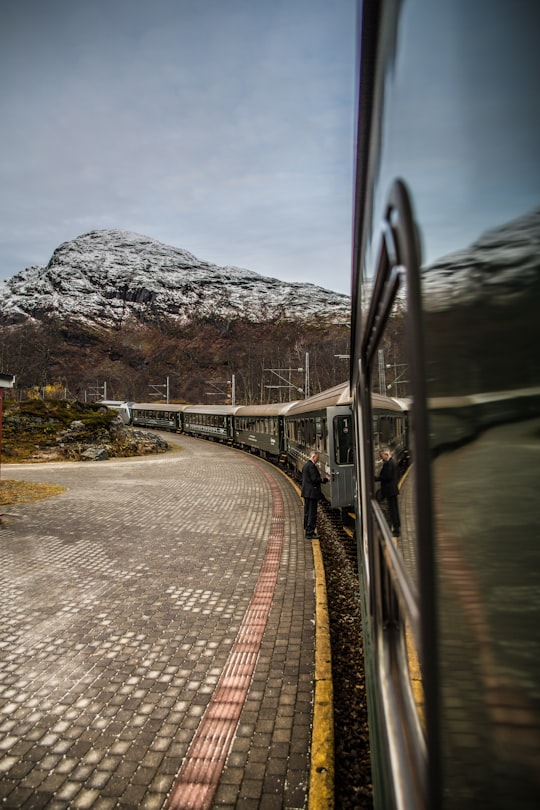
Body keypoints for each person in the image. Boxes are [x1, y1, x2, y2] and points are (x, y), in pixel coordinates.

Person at [301, 451, 329, 539]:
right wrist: (324, 479)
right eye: (317, 458)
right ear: (313, 457)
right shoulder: (312, 466)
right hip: (312, 493)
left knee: (307, 512)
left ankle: (307, 529)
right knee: (312, 513)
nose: (318, 460)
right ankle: (310, 532)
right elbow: (315, 479)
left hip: (306, 493)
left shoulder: (305, 465)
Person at [376, 448, 401, 537]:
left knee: (393, 510)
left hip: (390, 490)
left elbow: (387, 477)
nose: (381, 458)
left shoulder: (389, 464)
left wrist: (376, 478)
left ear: (386, 455)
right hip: (392, 490)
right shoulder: (391, 463)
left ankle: (396, 530)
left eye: (381, 455)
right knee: (393, 509)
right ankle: (396, 528)